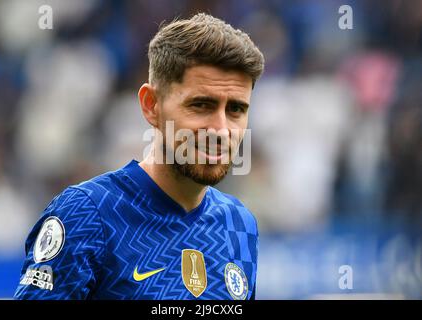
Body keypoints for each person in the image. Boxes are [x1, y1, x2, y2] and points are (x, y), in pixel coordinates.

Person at [14, 13, 264, 300]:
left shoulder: (240, 225)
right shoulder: (87, 215)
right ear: (151, 105)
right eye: (201, 105)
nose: (221, 130)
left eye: (236, 110)